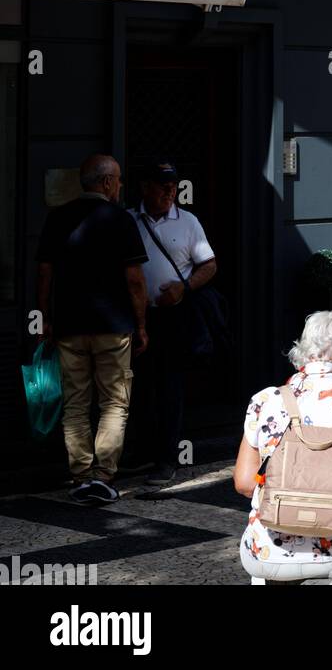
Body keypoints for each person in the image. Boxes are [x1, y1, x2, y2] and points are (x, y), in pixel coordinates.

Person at [233, 310, 332, 583]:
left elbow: (244, 483)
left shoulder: (265, 400)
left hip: (268, 554)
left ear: (303, 348)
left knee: (262, 560)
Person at [35, 154, 149, 505]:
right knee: (115, 402)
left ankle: (80, 475)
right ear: (106, 183)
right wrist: (142, 324)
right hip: (113, 328)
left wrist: (44, 318)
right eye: (116, 179)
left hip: (69, 326)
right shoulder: (121, 220)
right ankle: (104, 476)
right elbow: (134, 281)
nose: (119, 186)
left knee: (75, 403)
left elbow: (45, 275)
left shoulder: (57, 218)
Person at [125, 160, 217, 485]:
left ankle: (167, 459)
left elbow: (209, 265)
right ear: (145, 187)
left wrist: (183, 287)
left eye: (173, 186)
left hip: (173, 318)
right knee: (138, 386)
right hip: (136, 317)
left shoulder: (188, 221)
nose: (169, 192)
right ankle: (139, 454)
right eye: (162, 185)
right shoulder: (129, 220)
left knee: (170, 388)